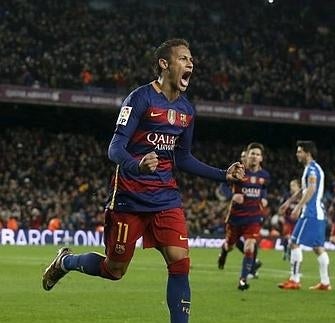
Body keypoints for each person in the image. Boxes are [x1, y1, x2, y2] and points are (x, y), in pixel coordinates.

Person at [41, 38, 245, 323]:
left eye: (191, 60)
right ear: (164, 63)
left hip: (165, 198)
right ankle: (66, 261)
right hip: (129, 198)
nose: (191, 63)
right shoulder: (140, 99)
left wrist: (223, 173)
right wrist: (137, 165)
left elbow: (183, 159)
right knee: (114, 270)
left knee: (180, 263)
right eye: (184, 58)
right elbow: (114, 148)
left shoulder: (187, 111)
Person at [278, 140, 331, 291]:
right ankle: (325, 282)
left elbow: (311, 189)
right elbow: (304, 188)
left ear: (307, 153)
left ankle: (294, 280)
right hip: (316, 213)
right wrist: (289, 202)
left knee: (293, 242)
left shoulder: (312, 169)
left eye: (299, 151)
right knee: (318, 247)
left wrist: (298, 207)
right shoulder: (312, 168)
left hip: (311, 213)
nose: (297, 154)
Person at [218, 142, 270, 290]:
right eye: (252, 153)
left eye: (258, 154)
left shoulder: (264, 175)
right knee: (230, 246)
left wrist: (264, 197)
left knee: (250, 246)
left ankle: (243, 280)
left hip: (253, 218)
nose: (254, 156)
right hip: (235, 217)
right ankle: (223, 252)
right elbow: (223, 186)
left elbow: (264, 189)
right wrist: (232, 195)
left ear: (261, 158)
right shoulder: (239, 171)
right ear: (247, 155)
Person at [278, 179, 301, 260]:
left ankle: (291, 252)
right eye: (291, 186)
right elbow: (281, 207)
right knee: (287, 236)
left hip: (298, 221)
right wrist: (281, 216)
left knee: (295, 239)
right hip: (287, 219)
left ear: (299, 187)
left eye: (294, 185)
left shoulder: (302, 196)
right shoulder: (287, 196)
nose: (292, 187)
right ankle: (286, 251)